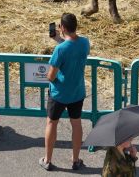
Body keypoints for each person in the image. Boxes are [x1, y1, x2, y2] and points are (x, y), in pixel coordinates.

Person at [42, 13, 90, 171]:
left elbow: (51, 76)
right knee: (76, 124)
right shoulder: (85, 42)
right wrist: (59, 39)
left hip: (59, 93)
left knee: (51, 123)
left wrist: (59, 41)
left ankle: (47, 160)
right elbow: (72, 47)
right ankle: (75, 160)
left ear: (62, 27)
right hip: (77, 92)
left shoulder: (60, 49)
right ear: (76, 26)